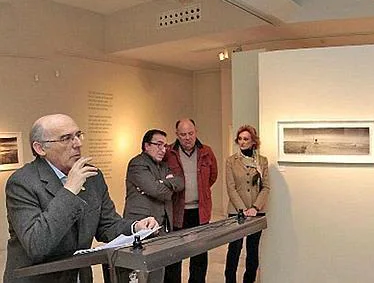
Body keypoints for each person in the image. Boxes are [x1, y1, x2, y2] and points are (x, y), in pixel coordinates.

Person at [4, 114, 158, 283]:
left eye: (78, 135)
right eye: (66, 138)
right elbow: (37, 244)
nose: (78, 143)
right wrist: (70, 190)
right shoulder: (22, 183)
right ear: (40, 148)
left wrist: (136, 227)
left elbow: (107, 225)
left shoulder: (92, 176)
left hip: (79, 276)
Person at [120, 129, 184, 282]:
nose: (163, 150)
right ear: (146, 146)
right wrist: (164, 186)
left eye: (165, 146)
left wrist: (162, 183)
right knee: (140, 275)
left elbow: (180, 182)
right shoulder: (137, 163)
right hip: (140, 227)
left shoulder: (163, 166)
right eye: (158, 145)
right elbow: (157, 191)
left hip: (160, 228)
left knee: (157, 273)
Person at [163, 119, 218, 283]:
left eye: (190, 133)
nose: (187, 137)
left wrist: (200, 192)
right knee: (174, 255)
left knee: (200, 256)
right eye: (183, 134)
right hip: (177, 212)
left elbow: (213, 176)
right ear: (177, 135)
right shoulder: (169, 153)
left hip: (200, 212)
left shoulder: (207, 151)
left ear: (196, 132)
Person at [224, 125, 270, 283]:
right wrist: (243, 209)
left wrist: (255, 208)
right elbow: (231, 188)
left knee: (252, 251)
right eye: (240, 139)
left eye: (246, 139)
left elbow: (266, 187)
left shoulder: (262, 161)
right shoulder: (231, 161)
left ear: (253, 142)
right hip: (237, 212)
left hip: (257, 212)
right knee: (234, 250)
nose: (242, 142)